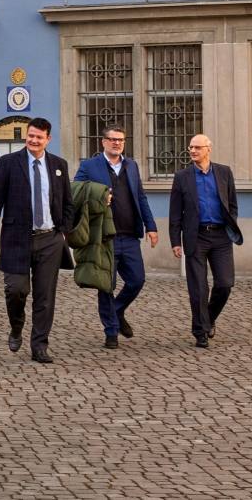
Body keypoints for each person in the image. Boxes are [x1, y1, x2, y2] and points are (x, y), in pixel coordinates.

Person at [0, 117, 74, 364]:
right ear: (27, 136)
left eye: (39, 137)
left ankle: (39, 345)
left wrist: (63, 232)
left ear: (48, 139)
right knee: (16, 290)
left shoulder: (59, 165)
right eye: (31, 136)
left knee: (45, 296)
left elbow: (68, 203)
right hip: (16, 239)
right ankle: (16, 325)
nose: (33, 140)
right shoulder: (9, 162)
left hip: (49, 240)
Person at [74, 126, 158, 349]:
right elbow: (75, 192)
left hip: (130, 236)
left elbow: (140, 197)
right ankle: (110, 331)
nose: (116, 143)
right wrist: (97, 197)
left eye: (120, 140)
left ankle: (117, 311)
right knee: (106, 285)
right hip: (104, 237)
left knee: (137, 280)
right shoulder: (89, 166)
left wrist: (151, 226)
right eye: (112, 140)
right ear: (103, 142)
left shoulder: (131, 166)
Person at [169, 134, 243, 348]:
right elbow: (175, 213)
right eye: (191, 147)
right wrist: (176, 241)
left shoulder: (223, 172)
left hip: (221, 237)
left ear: (208, 149)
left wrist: (231, 223)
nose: (192, 151)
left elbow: (232, 204)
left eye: (197, 147)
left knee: (225, 283)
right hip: (196, 236)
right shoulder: (182, 177)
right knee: (199, 288)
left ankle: (208, 318)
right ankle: (200, 331)